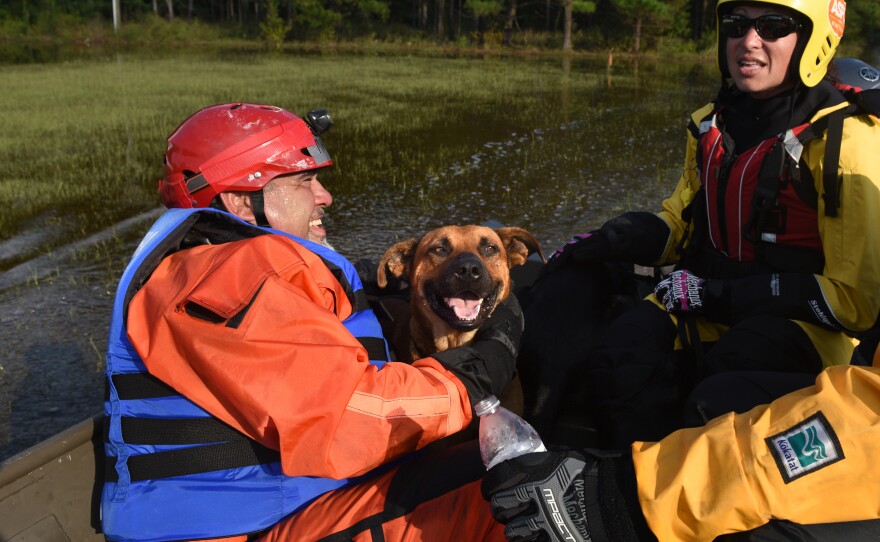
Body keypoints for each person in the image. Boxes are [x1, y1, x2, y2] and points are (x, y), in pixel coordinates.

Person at [100, 103, 520, 541]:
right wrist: (467, 379)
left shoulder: (227, 265)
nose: (325, 196)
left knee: (507, 469)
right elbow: (349, 417)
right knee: (520, 486)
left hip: (287, 508)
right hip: (242, 529)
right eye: (304, 181)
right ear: (242, 201)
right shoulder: (229, 278)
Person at [519, 0, 880, 450]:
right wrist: (608, 240)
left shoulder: (846, 141)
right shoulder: (713, 123)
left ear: (811, 40)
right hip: (712, 303)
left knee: (721, 386)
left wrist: (715, 295)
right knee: (618, 360)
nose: (749, 42)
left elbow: (854, 304)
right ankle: (616, 491)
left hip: (806, 328)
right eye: (736, 25)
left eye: (773, 26)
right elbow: (679, 225)